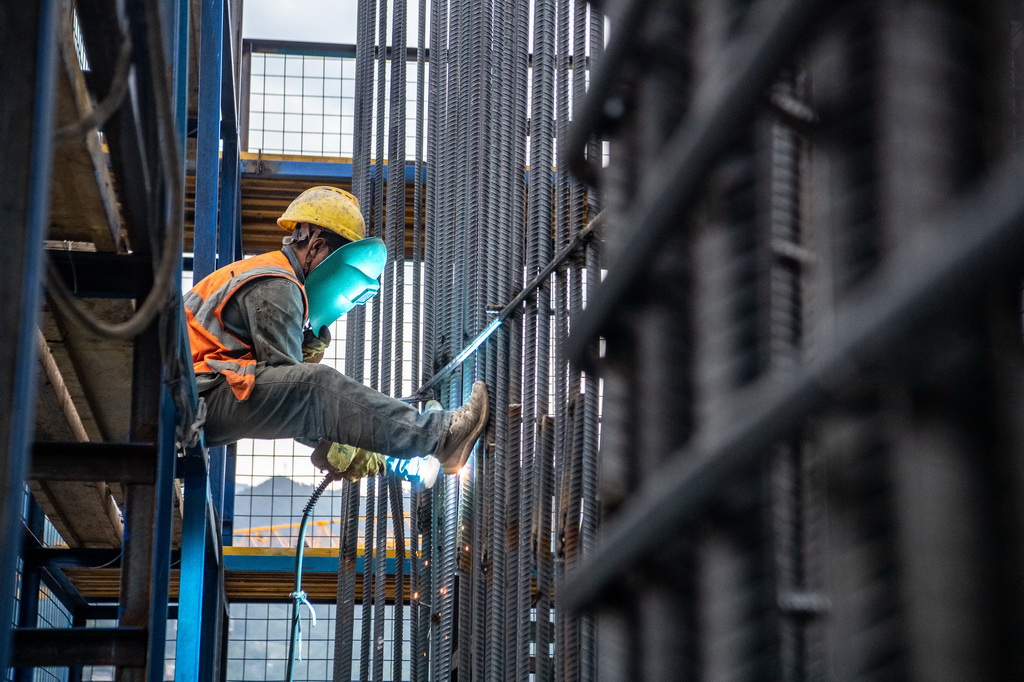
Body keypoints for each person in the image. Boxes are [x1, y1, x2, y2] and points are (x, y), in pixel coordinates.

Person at [184, 185, 489, 480]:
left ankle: (405, 452)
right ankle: (441, 437)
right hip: (196, 397)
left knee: (315, 391)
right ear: (316, 246)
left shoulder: (269, 274)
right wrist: (337, 442)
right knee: (316, 385)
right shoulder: (276, 283)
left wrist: (343, 444)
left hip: (202, 394)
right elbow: (296, 394)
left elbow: (287, 397)